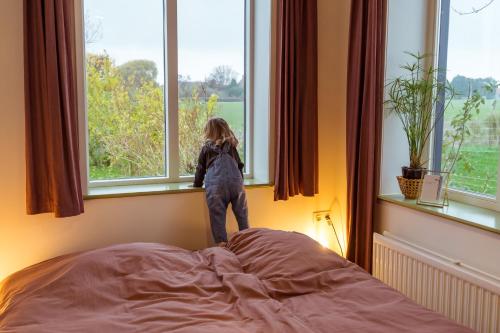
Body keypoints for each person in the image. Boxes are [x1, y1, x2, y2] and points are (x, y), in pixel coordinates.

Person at [193, 118, 249, 246]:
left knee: (217, 217)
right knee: (242, 215)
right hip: (236, 184)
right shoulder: (231, 147)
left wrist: (197, 184)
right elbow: (239, 165)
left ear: (209, 132)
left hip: (216, 186)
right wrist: (240, 183)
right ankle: (247, 242)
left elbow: (200, 168)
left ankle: (222, 246)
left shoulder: (206, 148)